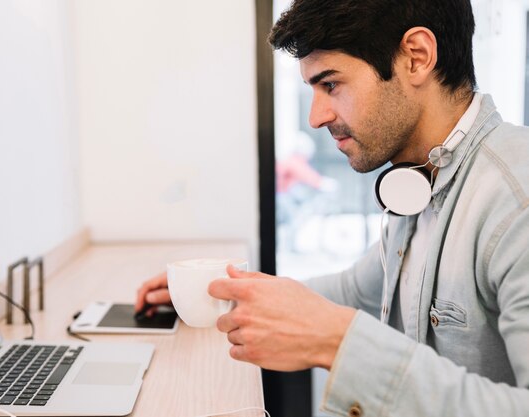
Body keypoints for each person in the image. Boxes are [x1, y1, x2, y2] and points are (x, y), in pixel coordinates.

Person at [135, 0, 529, 415]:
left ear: (416, 57)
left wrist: (337, 343)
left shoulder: (515, 203)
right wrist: (223, 294)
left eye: (331, 85)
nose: (316, 117)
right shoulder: (419, 177)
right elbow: (355, 291)